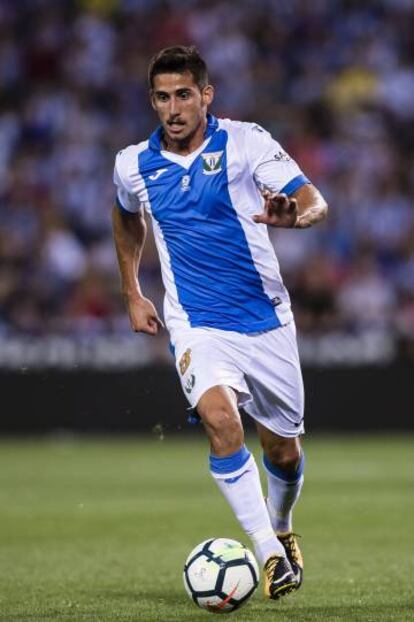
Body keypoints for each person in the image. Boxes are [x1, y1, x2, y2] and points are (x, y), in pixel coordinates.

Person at [112, 45, 328, 601]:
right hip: (197, 324)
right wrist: (132, 290)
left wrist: (294, 215)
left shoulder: (245, 142)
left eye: (184, 94)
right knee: (219, 418)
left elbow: (313, 200)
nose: (174, 108)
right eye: (162, 97)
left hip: (266, 321)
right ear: (153, 102)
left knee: (283, 450)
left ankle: (282, 527)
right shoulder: (133, 163)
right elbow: (125, 212)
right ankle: (269, 553)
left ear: (206, 95)